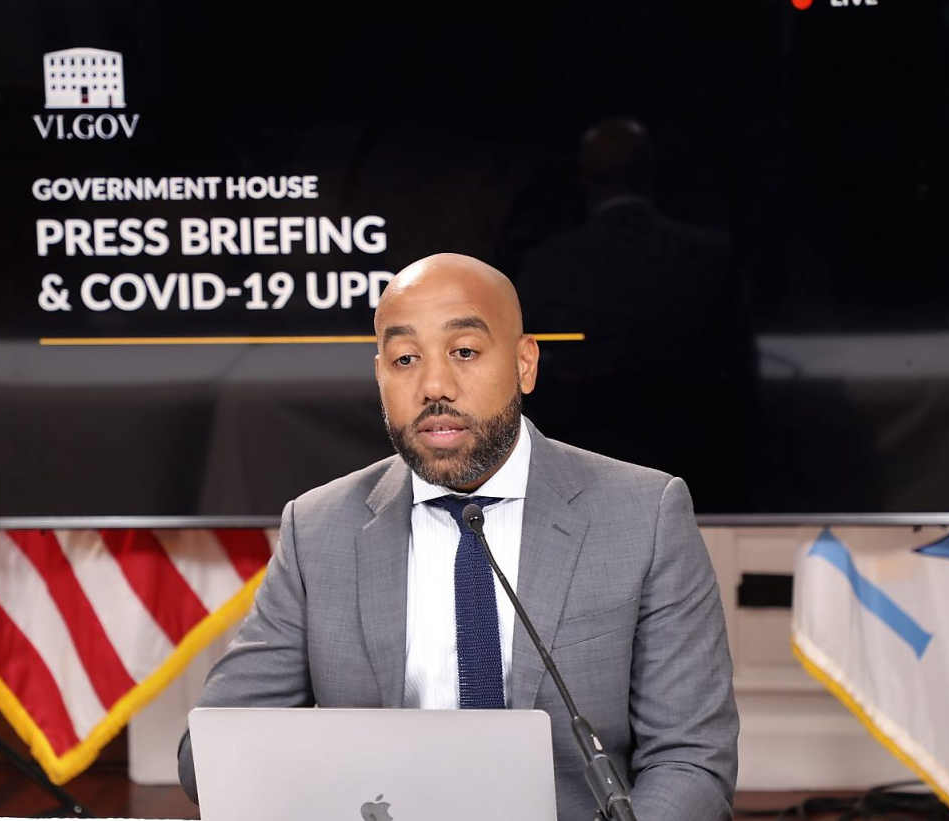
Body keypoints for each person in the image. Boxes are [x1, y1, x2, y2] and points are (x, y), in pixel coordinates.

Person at [177, 252, 738, 821]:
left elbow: (691, 761)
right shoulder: (319, 528)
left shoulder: (644, 514)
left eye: (464, 351)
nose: (434, 385)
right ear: (380, 376)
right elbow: (206, 759)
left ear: (524, 363)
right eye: (405, 359)